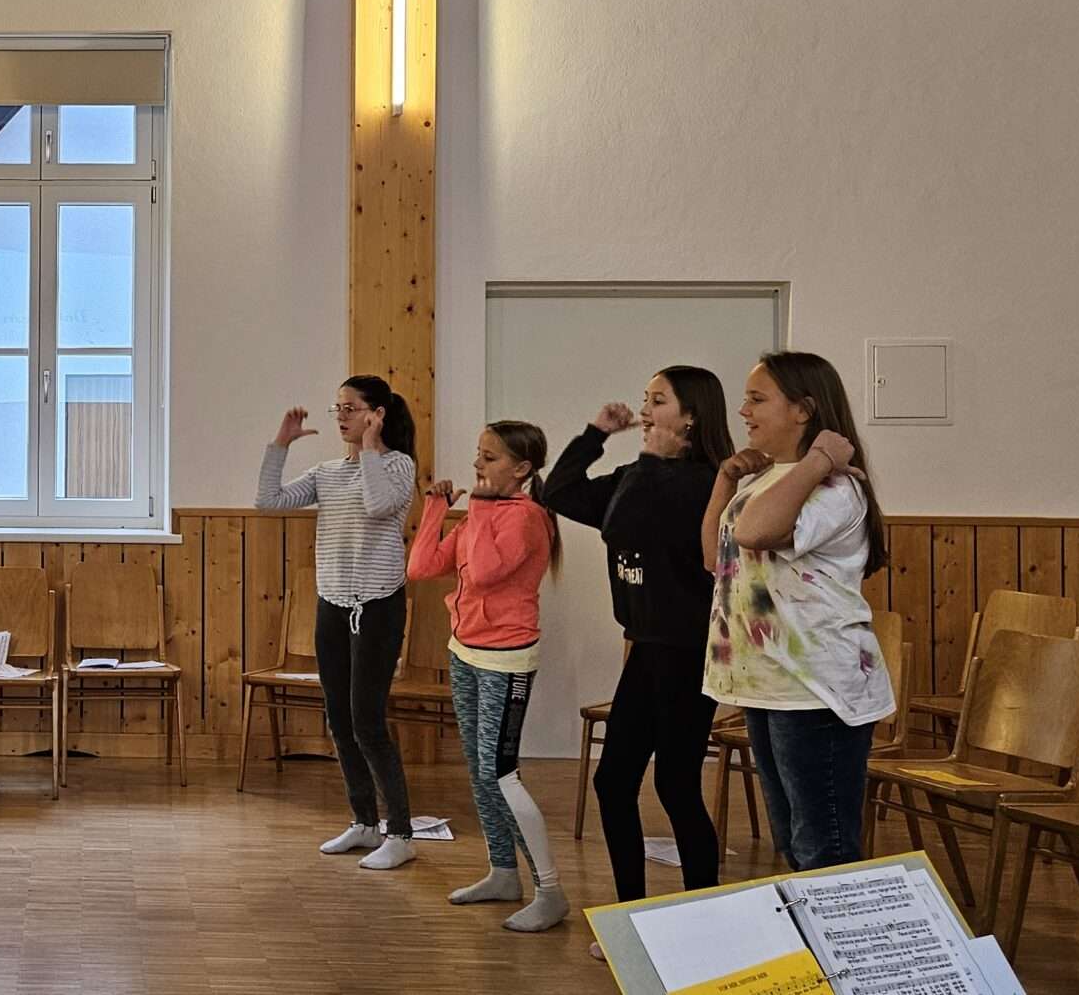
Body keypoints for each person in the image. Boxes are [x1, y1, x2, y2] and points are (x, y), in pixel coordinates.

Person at [541, 367, 736, 913]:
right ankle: (631, 916)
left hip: (687, 650)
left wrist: (649, 461)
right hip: (649, 646)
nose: (645, 410)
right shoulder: (638, 474)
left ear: (691, 417)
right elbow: (559, 492)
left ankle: (706, 915)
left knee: (676, 785)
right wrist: (595, 434)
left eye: (658, 401)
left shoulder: (707, 483)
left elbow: (632, 521)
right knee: (614, 782)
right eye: (644, 399)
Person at [702, 350, 892, 873]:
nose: (743, 411)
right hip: (771, 681)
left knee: (823, 846)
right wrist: (725, 481)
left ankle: (838, 931)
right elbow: (716, 557)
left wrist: (819, 459)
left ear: (803, 410)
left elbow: (754, 532)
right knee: (791, 839)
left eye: (757, 399)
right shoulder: (771, 479)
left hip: (814, 687)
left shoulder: (835, 486)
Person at [258, 374, 421, 871]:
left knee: (368, 721)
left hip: (378, 606)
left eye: (351, 408)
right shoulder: (327, 472)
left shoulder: (398, 465)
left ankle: (401, 832)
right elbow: (269, 502)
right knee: (339, 719)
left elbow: (378, 505)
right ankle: (364, 821)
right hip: (332, 604)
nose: (342, 417)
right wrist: (280, 445)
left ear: (377, 414)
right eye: (338, 409)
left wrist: (370, 447)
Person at [409, 421, 567, 930]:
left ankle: (550, 890)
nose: (477, 465)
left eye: (490, 457)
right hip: (465, 651)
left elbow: (482, 573)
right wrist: (436, 509)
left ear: (522, 469)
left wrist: (475, 508)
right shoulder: (485, 513)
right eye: (478, 454)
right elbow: (421, 567)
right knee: (480, 772)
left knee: (501, 775)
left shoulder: (525, 518)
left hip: (506, 659)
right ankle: (503, 872)